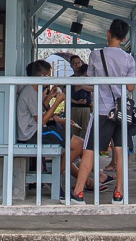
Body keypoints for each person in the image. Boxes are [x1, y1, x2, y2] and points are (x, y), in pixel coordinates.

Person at [71, 18, 134, 204]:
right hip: (121, 112)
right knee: (120, 151)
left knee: (89, 149)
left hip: (102, 110)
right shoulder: (129, 58)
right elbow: (130, 87)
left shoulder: (95, 55)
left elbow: (90, 77)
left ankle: (79, 192)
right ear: (124, 39)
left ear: (108, 33)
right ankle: (119, 194)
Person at [17, 59, 102, 193]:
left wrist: (50, 97)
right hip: (32, 134)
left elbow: (40, 110)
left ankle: (61, 177)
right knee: (79, 144)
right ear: (43, 76)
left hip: (34, 131)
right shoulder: (29, 92)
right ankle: (54, 178)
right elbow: (41, 121)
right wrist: (58, 102)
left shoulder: (32, 90)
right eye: (49, 75)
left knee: (77, 143)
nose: (50, 79)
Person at [69, 61, 92, 140]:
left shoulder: (73, 80)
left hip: (77, 108)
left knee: (75, 131)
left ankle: (74, 147)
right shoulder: (87, 81)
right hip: (82, 107)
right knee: (85, 130)